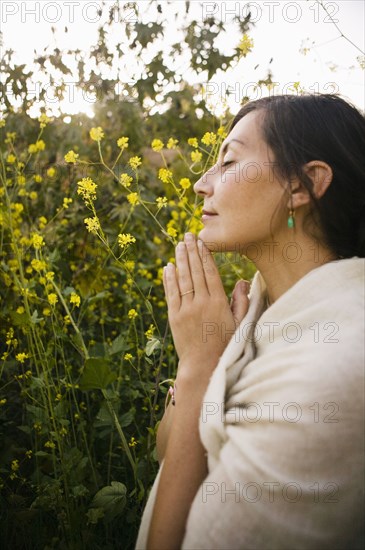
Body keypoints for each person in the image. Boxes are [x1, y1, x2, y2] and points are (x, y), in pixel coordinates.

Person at [136, 94, 365, 549]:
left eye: (229, 162)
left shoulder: (325, 378)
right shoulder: (259, 306)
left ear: (303, 185)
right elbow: (167, 448)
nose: (202, 184)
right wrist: (206, 360)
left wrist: (202, 365)